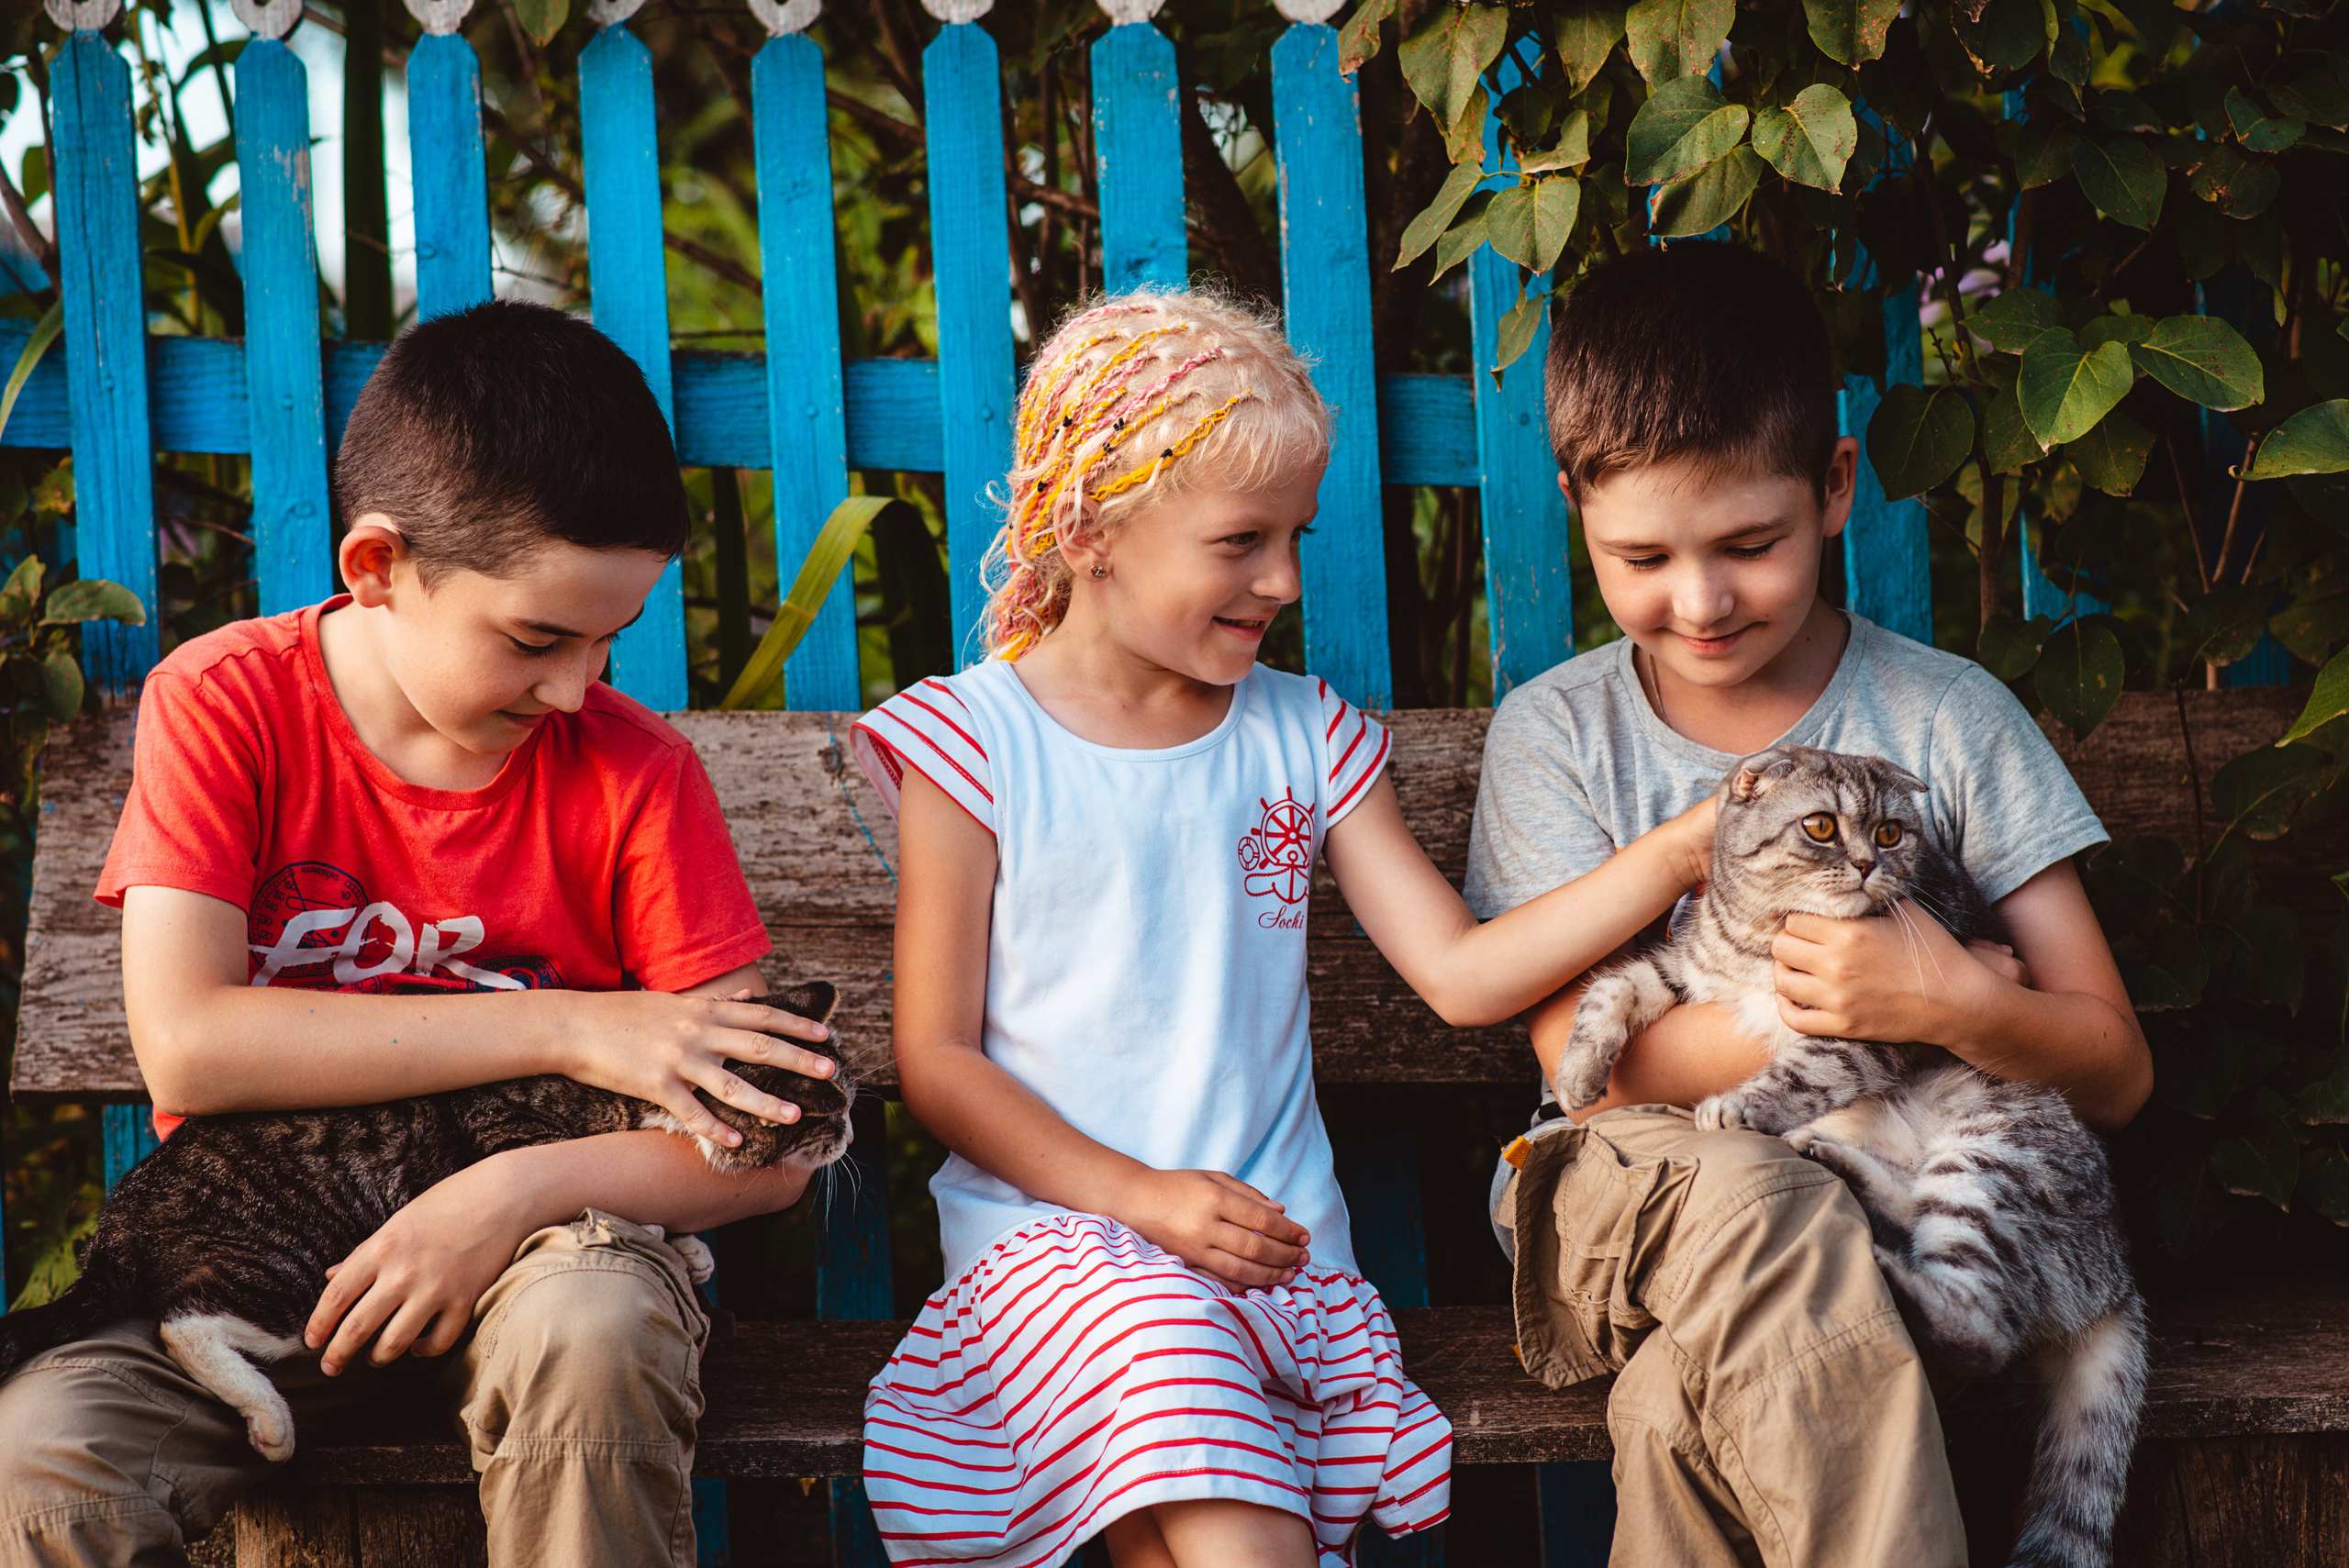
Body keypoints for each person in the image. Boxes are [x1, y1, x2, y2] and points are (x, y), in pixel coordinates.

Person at [851, 289, 1731, 1568]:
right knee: (1214, 1491)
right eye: (1241, 540)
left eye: (1296, 536)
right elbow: (937, 1059)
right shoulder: (973, 743)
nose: (1285, 580)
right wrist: (1142, 1199)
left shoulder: (1301, 735)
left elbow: (1462, 972)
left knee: (1182, 1518)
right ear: (1090, 530)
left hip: (1272, 1264)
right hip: (1054, 1251)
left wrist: (1673, 853)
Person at [0, 300, 839, 1568]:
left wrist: (507, 1190)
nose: (577, 689)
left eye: (609, 642)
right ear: (377, 566)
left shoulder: (637, 774)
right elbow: (191, 1046)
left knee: (596, 1332)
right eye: (537, 638)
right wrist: (572, 1022)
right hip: (248, 1280)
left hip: (549, 1258)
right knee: (42, 1456)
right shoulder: (227, 703)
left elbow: (763, 1145)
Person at [1467, 242, 2154, 1567]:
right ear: (1575, 509)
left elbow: (2114, 1066)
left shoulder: (1947, 720)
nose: (1702, 598)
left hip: (1884, 1218)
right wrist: (1871, 1005)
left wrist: (1952, 1001)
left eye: (1748, 543)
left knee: (1680, 1407)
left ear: (1835, 485)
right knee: (1773, 1216)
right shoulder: (1558, 734)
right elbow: (1594, 1075)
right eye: (1644, 555)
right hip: (1633, 1188)